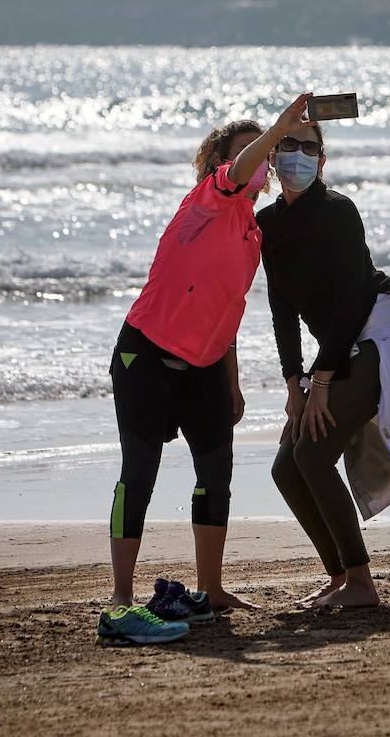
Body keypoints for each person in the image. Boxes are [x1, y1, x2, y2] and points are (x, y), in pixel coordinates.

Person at [97, 94, 312, 646]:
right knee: (139, 474)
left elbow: (227, 305)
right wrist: (274, 131)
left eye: (267, 154)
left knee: (216, 474)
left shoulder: (252, 233)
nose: (262, 163)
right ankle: (120, 602)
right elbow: (237, 171)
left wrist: (233, 377)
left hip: (207, 365)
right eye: (251, 154)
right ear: (223, 162)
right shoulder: (208, 201)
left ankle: (210, 589)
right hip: (144, 355)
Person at [257, 107, 390, 609]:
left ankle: (362, 582)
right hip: (338, 345)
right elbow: (281, 308)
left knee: (310, 452)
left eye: (311, 148)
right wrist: (294, 384)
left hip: (378, 329)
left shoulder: (338, 210)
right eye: (290, 145)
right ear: (272, 155)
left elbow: (352, 300)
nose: (299, 156)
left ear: (322, 160)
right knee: (286, 467)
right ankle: (340, 578)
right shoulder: (265, 223)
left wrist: (322, 380)